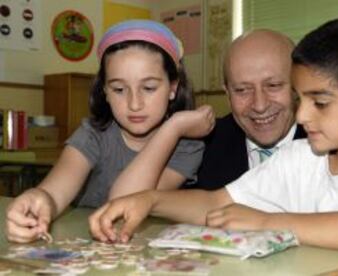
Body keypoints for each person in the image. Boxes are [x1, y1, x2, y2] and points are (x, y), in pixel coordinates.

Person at [89, 17, 338, 256]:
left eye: (321, 103)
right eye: (301, 100)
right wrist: (150, 200)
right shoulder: (299, 156)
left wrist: (265, 222)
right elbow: (218, 202)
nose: (301, 116)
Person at [5, 20, 214, 243]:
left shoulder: (186, 145)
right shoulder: (93, 134)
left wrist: (172, 128)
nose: (135, 104)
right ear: (104, 90)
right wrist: (40, 198)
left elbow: (123, 206)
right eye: (119, 89)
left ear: (173, 88)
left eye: (149, 88)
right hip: (86, 247)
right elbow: (54, 192)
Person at [192, 30, 306, 190]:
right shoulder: (201, 147)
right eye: (242, 90)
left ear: (298, 86)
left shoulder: (332, 147)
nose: (260, 105)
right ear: (228, 94)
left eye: (273, 86)